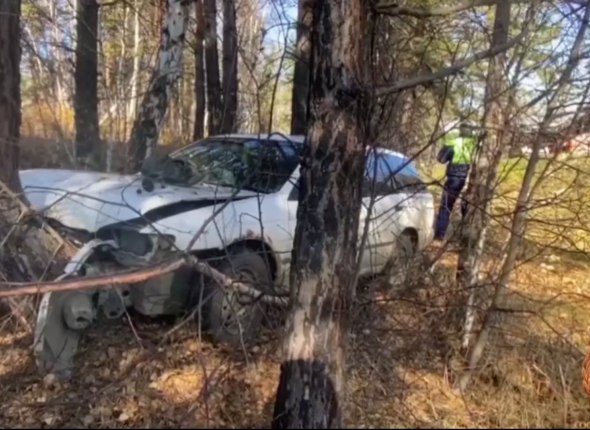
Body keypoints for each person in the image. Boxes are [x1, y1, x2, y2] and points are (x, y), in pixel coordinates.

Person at [434, 121, 477, 241]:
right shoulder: (475, 145)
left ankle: (439, 236)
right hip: (469, 180)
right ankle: (463, 238)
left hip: (454, 178)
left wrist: (445, 146)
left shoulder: (454, 143)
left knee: (446, 207)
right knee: (466, 210)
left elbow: (441, 159)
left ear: (460, 131)